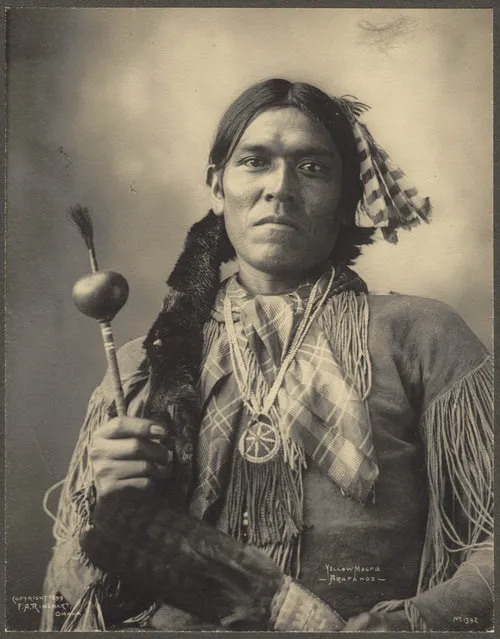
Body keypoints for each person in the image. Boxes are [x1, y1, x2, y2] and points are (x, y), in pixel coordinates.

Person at [42, 78, 493, 632]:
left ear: (347, 198)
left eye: (312, 167)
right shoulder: (143, 367)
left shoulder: (423, 335)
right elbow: (81, 601)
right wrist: (115, 510)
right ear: (216, 185)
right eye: (254, 161)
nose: (279, 187)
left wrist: (415, 621)